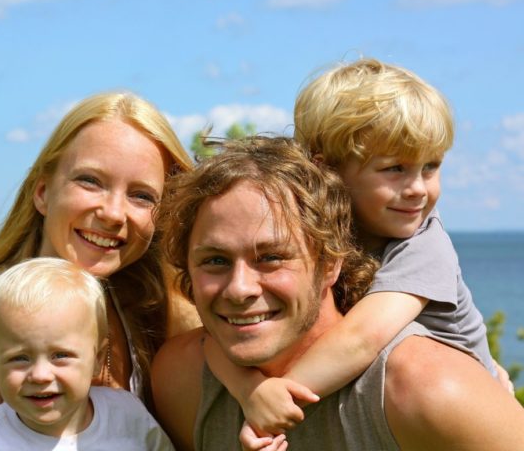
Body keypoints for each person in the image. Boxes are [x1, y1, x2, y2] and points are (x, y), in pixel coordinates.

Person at [203, 58, 513, 448]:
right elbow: (210, 338)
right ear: (327, 168)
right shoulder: (309, 234)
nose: (418, 189)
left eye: (431, 167)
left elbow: (361, 340)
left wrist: (276, 402)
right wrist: (250, 391)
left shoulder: (423, 244)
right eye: (395, 169)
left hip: (455, 417)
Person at [151, 136, 524, 451]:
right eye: (215, 260)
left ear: (331, 263)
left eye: (271, 258)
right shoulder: (183, 379)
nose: (240, 288)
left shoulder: (426, 389)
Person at [0, 92, 200, 451]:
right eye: (91, 181)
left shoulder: (156, 311)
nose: (113, 212)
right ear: (43, 192)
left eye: (141, 196)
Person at [0, 257, 175, 450]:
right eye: (19, 358)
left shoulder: (128, 416)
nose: (40, 375)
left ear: (98, 359)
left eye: (60, 356)